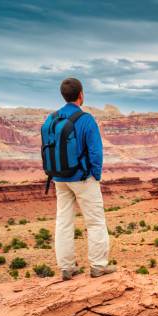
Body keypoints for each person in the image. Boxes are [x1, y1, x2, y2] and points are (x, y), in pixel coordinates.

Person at [44, 78, 115, 280]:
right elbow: (95, 152)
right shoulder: (86, 119)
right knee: (95, 222)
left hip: (59, 178)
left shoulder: (51, 119)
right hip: (82, 178)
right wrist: (96, 176)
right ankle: (98, 265)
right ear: (81, 95)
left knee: (64, 221)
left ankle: (66, 268)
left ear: (63, 95)